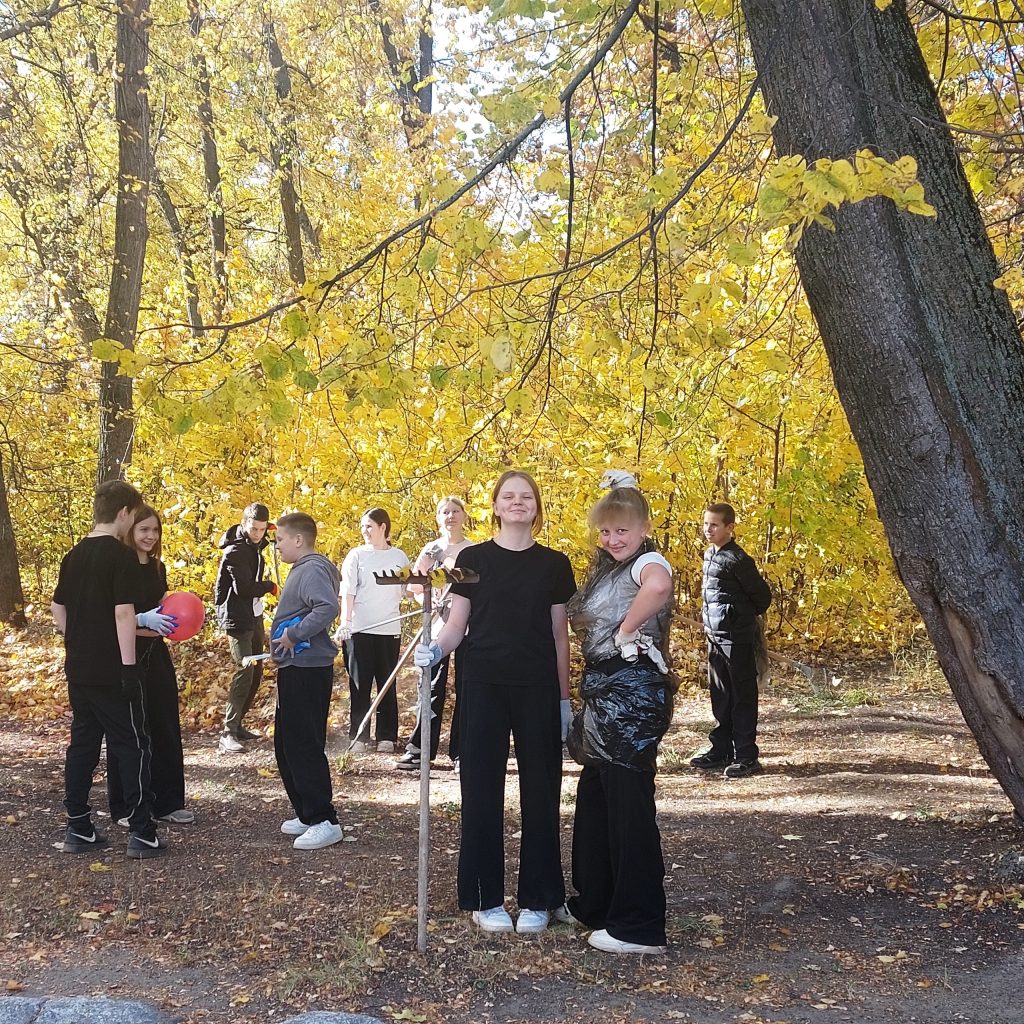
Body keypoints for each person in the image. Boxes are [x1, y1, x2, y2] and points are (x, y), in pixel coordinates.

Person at [415, 470, 576, 935]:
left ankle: (539, 898)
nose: (518, 503)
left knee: (541, 792)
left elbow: (558, 635)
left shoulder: (554, 564)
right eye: (509, 496)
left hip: (537, 688)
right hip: (482, 684)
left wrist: (564, 699)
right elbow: (456, 624)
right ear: (496, 506)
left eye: (526, 497)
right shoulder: (472, 557)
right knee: (481, 789)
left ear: (537, 507)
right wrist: (436, 649)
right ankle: (484, 898)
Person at [564, 481, 676, 954]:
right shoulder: (610, 568)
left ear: (645, 528)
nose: (613, 539)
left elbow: (659, 586)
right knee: (596, 800)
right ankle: (597, 902)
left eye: (623, 530)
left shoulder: (650, 561)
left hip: (632, 697)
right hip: (604, 695)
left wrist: (628, 630)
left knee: (627, 803)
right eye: (606, 531)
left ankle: (639, 925)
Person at [51, 480, 172, 860]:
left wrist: (83, 636)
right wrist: (129, 667)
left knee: (83, 743)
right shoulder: (118, 557)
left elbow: (58, 612)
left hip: (79, 667)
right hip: (112, 668)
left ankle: (78, 824)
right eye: (135, 517)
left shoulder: (73, 555)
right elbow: (123, 614)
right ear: (123, 514)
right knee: (133, 743)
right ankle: (141, 831)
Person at [108, 505, 193, 826]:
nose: (150, 536)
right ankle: (127, 806)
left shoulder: (159, 568)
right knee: (129, 729)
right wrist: (144, 623)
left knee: (164, 723)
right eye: (144, 529)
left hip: (155, 655)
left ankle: (168, 802)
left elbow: (166, 609)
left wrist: (168, 622)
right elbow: (117, 618)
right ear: (130, 529)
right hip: (127, 653)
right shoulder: (119, 565)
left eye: (155, 530)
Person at [270, 512, 344, 851]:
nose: (277, 546)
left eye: (280, 540)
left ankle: (323, 819)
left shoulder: (312, 568)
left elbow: (326, 608)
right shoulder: (305, 569)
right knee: (287, 740)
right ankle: (306, 810)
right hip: (296, 666)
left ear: (298, 540)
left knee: (303, 743)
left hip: (307, 668)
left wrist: (293, 635)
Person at [690, 501, 772, 779]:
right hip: (715, 638)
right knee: (721, 697)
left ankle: (747, 756)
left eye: (714, 525)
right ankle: (721, 749)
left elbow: (762, 598)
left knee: (742, 697)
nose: (708, 530)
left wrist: (735, 617)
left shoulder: (738, 560)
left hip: (736, 640)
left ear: (730, 527)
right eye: (705, 524)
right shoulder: (709, 555)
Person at [396, 496, 474, 772]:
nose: (450, 516)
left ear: (464, 515)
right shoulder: (432, 550)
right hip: (438, 628)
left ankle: (463, 751)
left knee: (467, 688)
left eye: (455, 511)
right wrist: (429, 601)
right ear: (438, 518)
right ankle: (420, 749)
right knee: (430, 688)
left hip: (468, 627)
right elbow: (414, 587)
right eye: (444, 512)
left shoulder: (473, 550)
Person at [337, 508, 410, 753]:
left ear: (383, 527)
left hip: (389, 629)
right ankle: (358, 735)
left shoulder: (399, 556)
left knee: (386, 683)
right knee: (360, 684)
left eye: (369, 526)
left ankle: (387, 736)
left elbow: (408, 590)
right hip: (359, 629)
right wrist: (345, 622)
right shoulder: (356, 556)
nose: (365, 531)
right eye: (362, 527)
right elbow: (348, 591)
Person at [214, 502, 277, 753]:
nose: (257, 534)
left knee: (257, 670)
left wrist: (271, 535)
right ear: (244, 524)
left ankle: (238, 724)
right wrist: (269, 586)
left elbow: (260, 545)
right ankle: (227, 732)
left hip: (254, 615)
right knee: (245, 668)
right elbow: (243, 588)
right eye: (254, 528)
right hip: (236, 616)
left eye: (262, 529)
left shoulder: (255, 545)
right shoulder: (235, 551)